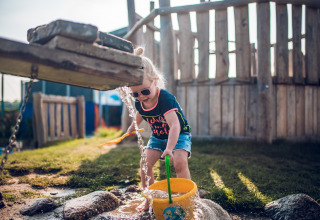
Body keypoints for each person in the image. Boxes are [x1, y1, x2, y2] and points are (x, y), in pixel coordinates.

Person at [126, 47, 192, 211]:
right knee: (144, 165)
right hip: (158, 136)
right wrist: (133, 126)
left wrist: (170, 148)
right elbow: (141, 113)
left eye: (145, 91)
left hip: (179, 134)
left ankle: (186, 198)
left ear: (155, 81)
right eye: (135, 94)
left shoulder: (165, 99)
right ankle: (149, 199)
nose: (141, 96)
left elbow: (175, 125)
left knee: (179, 163)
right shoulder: (140, 100)